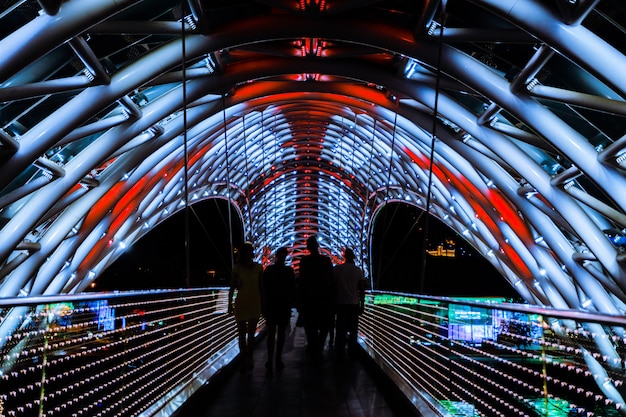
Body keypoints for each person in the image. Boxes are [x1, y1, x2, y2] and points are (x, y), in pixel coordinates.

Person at [228, 242, 263, 371]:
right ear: (245, 253)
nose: (251, 252)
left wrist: (263, 304)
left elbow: (261, 287)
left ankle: (250, 358)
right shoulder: (237, 268)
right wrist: (229, 305)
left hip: (255, 302)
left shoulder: (259, 268)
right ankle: (244, 358)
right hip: (241, 302)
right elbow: (232, 287)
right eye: (249, 250)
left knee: (251, 334)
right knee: (242, 334)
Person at [297, 235, 334, 355]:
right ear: (318, 246)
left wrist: (300, 300)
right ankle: (319, 345)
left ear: (308, 247)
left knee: (310, 324)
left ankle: (312, 345)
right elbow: (332, 279)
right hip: (324, 297)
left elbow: (301, 281)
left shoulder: (304, 261)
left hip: (309, 298)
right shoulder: (326, 260)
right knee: (324, 324)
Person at [261, 247, 296, 370]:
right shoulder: (288, 271)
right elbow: (293, 288)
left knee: (276, 333)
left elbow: (263, 288)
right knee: (277, 333)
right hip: (281, 305)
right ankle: (275, 359)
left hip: (276, 305)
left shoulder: (270, 270)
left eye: (284, 255)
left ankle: (273, 359)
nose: (283, 257)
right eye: (282, 255)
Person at [333, 247, 366, 356]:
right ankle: (352, 352)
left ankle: (339, 352)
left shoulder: (337, 269)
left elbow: (332, 286)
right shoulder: (357, 270)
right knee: (353, 330)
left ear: (344, 256)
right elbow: (361, 289)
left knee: (340, 329)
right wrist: (362, 304)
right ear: (353, 257)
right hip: (353, 304)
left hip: (340, 303)